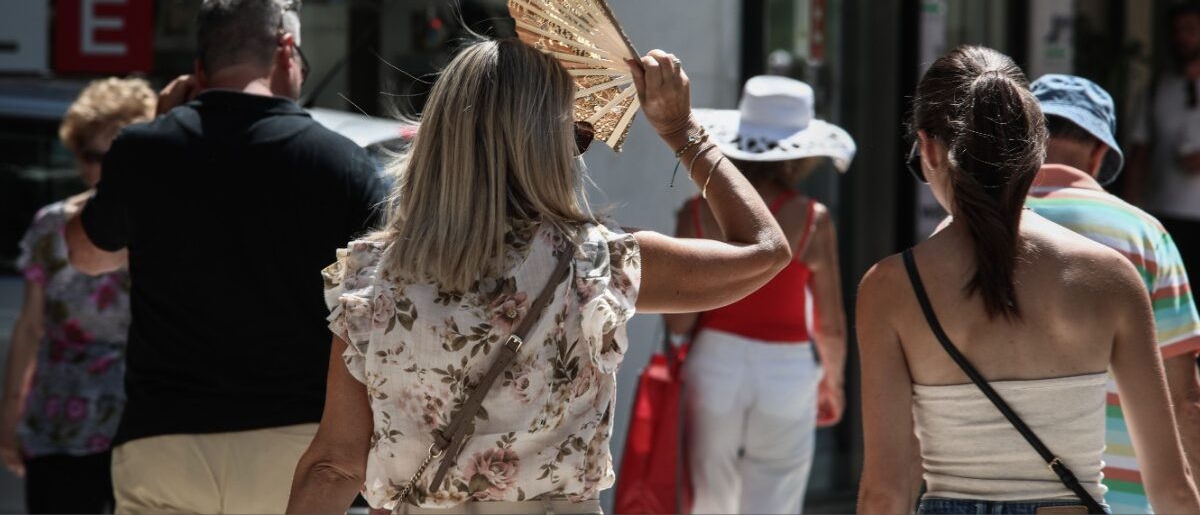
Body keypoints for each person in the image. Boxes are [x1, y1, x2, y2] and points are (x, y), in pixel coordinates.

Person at [285, 39, 793, 515]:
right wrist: (681, 130)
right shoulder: (596, 264)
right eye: (575, 132)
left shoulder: (373, 278)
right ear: (547, 145)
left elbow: (334, 465)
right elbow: (765, 250)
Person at [63, 0, 388, 514]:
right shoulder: (342, 164)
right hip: (296, 448)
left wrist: (151, 130)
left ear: (200, 67)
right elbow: (384, 300)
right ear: (286, 50)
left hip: (163, 443)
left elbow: (85, 253)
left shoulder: (144, 150)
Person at [856, 45, 1200, 514]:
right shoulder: (1112, 277)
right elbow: (1172, 488)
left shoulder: (889, 287)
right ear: (1034, 150)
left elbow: (885, 491)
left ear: (930, 149)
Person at [664, 75, 853, 514]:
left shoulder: (694, 212)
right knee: (777, 496)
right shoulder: (813, 218)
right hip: (787, 370)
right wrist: (833, 381)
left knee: (709, 495)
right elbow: (829, 324)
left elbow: (678, 320)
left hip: (714, 363)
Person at [1026, 73, 1200, 514]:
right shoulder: (1146, 236)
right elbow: (1183, 398)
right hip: (1121, 498)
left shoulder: (972, 230)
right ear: (1101, 154)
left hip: (997, 495)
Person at [2, 78, 155, 514]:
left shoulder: (162, 229)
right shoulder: (50, 226)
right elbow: (30, 326)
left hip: (136, 427)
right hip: (57, 422)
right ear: (76, 156)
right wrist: (9, 416)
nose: (105, 169)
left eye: (119, 156)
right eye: (93, 156)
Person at [1125, 2, 1200, 304]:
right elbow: (1140, 150)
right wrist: (1130, 207)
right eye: (1177, 31)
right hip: (1164, 213)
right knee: (1170, 298)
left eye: (1191, 30)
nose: (1182, 38)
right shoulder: (1157, 89)